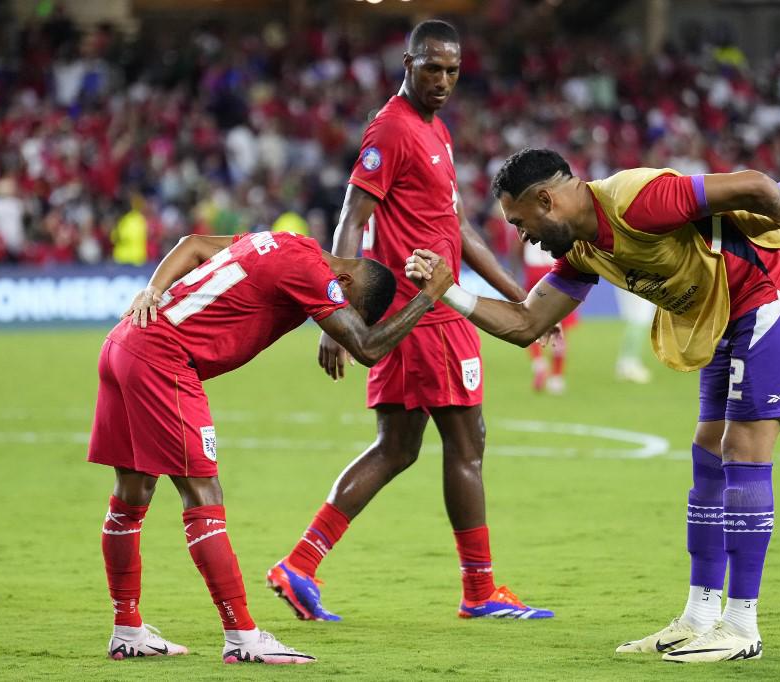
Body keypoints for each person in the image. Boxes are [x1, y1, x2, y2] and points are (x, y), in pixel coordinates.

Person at [406, 148, 780, 662]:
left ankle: (742, 624)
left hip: (775, 290)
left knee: (742, 448)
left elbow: (753, 184)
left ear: (547, 200)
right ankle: (700, 616)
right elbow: (528, 323)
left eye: (520, 222)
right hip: (723, 312)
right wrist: (450, 293)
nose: (521, 236)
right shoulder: (581, 249)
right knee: (708, 455)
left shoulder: (637, 200)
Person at [267, 20, 553, 622]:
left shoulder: (435, 129)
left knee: (396, 448)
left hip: (418, 311)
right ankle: (479, 591)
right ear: (407, 61)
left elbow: (460, 231)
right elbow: (350, 217)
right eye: (432, 68)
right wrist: (333, 314)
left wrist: (521, 296)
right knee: (466, 443)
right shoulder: (392, 129)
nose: (444, 80)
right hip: (426, 315)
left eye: (452, 70)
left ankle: (300, 564)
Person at [89, 229, 453, 665]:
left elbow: (195, 243)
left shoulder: (285, 241)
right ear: (348, 285)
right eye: (345, 314)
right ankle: (243, 638)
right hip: (162, 360)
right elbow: (369, 347)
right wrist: (430, 295)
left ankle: (127, 629)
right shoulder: (314, 274)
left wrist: (152, 288)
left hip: (124, 342)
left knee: (132, 496)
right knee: (203, 497)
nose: (335, 323)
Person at [522, 239, 576, 394]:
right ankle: (556, 378)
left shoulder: (527, 222)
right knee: (560, 326)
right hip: (555, 271)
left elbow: (516, 248)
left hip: (533, 272)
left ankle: (538, 362)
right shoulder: (560, 220)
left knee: (531, 321)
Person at [613, 288, 655, 384]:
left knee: (637, 318)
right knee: (640, 318)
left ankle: (627, 362)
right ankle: (629, 364)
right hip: (639, 278)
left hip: (628, 278)